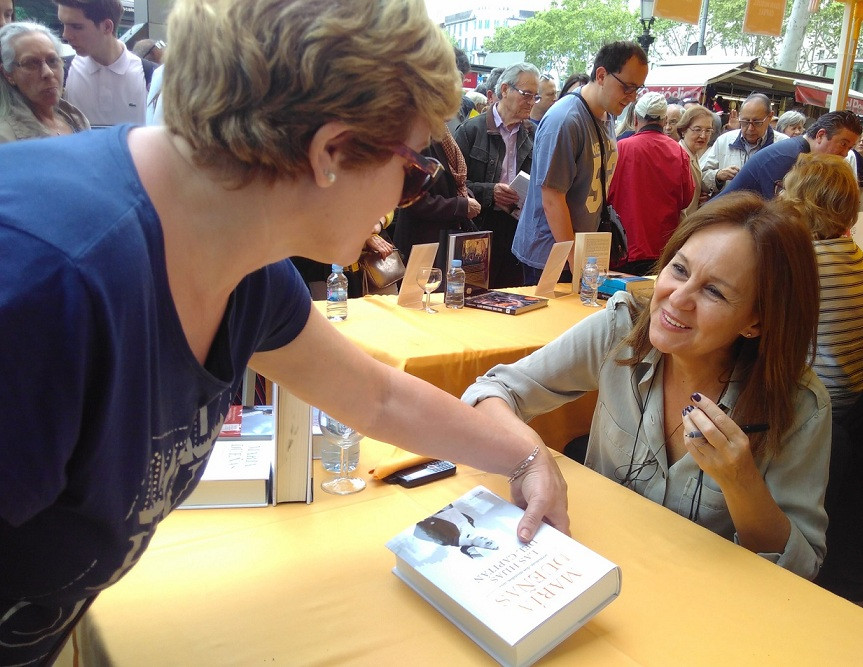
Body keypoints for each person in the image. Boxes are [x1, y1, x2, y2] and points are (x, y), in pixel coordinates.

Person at [0, 0, 569, 663]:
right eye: (413, 168)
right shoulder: (44, 286)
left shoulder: (238, 258)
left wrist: (523, 454)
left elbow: (374, 396)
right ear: (329, 150)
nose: (406, 193)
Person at [464, 192, 830, 581]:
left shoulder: (798, 404)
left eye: (715, 292)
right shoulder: (620, 330)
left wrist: (741, 482)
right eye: (679, 270)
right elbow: (491, 392)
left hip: (700, 605)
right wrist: (532, 457)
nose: (679, 298)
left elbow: (801, 569)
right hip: (582, 574)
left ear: (754, 322)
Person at [512, 41, 648, 285]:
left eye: (638, 88)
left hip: (581, 254)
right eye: (627, 87)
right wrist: (576, 263)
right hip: (551, 256)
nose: (632, 97)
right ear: (602, 75)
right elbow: (552, 198)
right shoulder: (565, 120)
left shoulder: (606, 114)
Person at [780, 153, 863, 419]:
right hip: (853, 396)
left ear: (800, 206)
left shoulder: (801, 263)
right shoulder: (855, 254)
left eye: (785, 193)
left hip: (812, 400)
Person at [454, 62, 539, 288]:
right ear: (504, 90)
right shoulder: (472, 130)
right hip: (478, 229)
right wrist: (491, 192)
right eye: (526, 94)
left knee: (512, 298)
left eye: (535, 96)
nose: (531, 102)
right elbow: (454, 186)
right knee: (473, 297)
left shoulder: (532, 133)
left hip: (515, 230)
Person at [608, 91, 694, 276]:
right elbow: (687, 199)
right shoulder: (679, 153)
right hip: (661, 248)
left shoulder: (621, 148)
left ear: (635, 118)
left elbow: (605, 194)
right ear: (663, 121)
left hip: (623, 247)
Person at [392, 124, 481, 272]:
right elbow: (413, 199)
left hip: (447, 239)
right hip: (422, 242)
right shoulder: (417, 135)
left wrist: (466, 198)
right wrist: (460, 206)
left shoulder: (443, 131)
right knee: (422, 293)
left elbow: (457, 182)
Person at [720, 110, 863, 200]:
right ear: (820, 135)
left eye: (850, 148)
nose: (844, 154)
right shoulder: (788, 157)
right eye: (843, 144)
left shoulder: (800, 152)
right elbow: (778, 212)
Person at [55, 0, 150, 125]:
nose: (65, 35)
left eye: (76, 27)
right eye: (63, 24)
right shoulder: (61, 72)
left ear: (107, 27)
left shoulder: (150, 75)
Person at [0, 21, 90, 142]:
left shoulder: (76, 119)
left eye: (53, 60)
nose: (48, 72)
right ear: (8, 74)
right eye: (31, 63)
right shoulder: (6, 138)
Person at [700, 93, 786, 195]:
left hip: (766, 209)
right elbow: (701, 176)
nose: (750, 128)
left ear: (770, 117)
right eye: (745, 121)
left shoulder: (783, 146)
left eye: (757, 122)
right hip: (729, 208)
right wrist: (718, 175)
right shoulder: (724, 141)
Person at [676, 104, 715, 218]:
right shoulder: (680, 158)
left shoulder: (693, 154)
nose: (703, 136)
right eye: (697, 130)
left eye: (708, 130)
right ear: (683, 130)